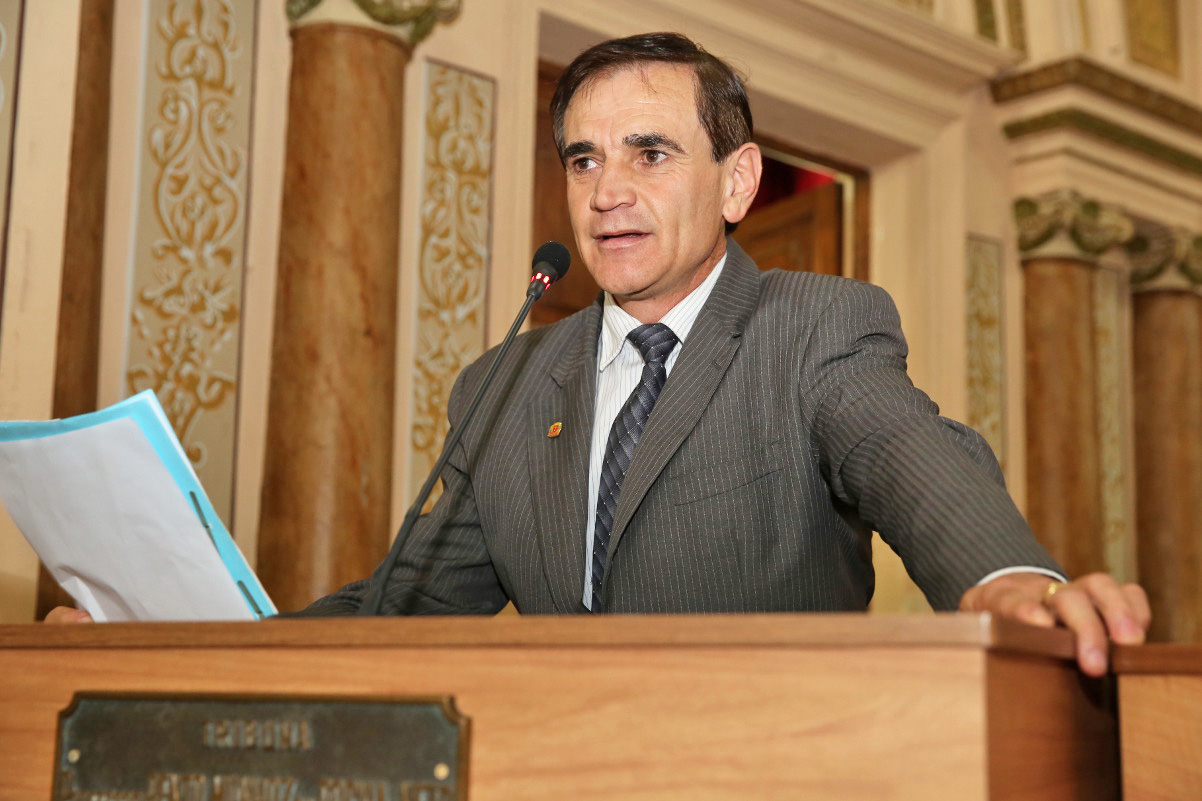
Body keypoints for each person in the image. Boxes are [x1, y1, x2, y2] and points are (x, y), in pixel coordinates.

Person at [50, 33, 1150, 677]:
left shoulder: (813, 326)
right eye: (583, 160)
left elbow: (909, 453)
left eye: (649, 153)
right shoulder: (506, 382)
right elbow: (401, 610)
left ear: (736, 181)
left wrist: (1006, 579)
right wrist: (167, 641)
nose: (607, 191)